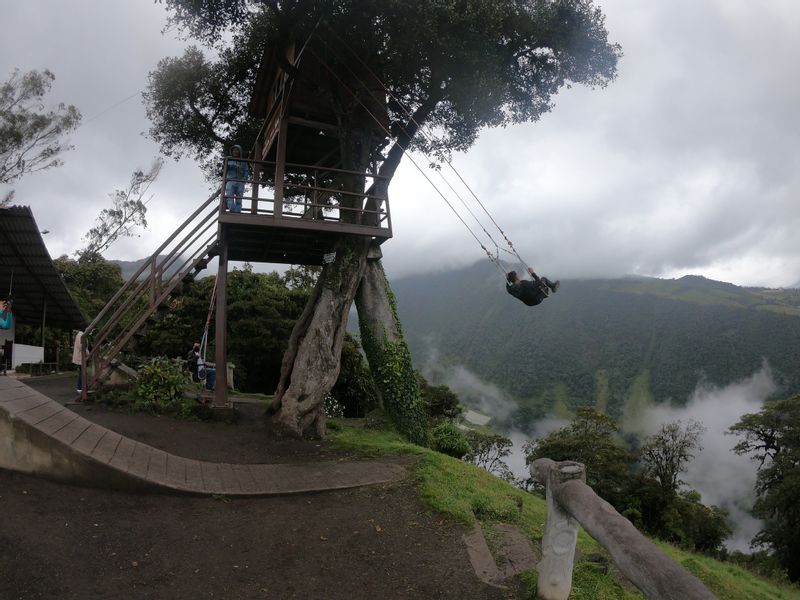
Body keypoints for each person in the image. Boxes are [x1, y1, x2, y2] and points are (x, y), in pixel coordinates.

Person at [224, 144, 249, 213]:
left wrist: (244, 179)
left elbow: (246, 171)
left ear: (240, 151)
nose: (235, 152)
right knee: (230, 197)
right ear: (231, 152)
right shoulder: (228, 159)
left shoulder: (244, 162)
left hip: (240, 182)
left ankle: (237, 213)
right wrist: (234, 165)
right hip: (230, 181)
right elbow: (226, 167)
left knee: (239, 200)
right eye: (234, 150)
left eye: (237, 150)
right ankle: (233, 211)